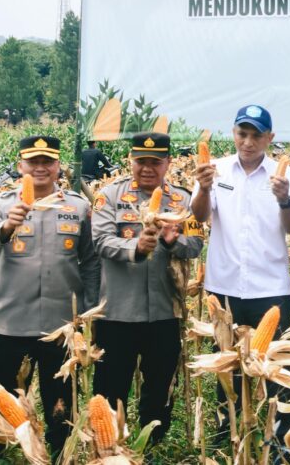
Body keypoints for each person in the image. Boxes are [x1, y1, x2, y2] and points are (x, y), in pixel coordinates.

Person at [0, 136, 100, 458]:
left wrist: (87, 312)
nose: (40, 168)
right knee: (7, 402)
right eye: (33, 162)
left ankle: (59, 453)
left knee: (60, 403)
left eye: (48, 162)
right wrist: (5, 228)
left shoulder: (79, 206)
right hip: (12, 323)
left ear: (59, 167)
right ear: (20, 166)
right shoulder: (1, 204)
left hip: (60, 327)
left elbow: (91, 262)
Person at [191, 105, 290, 439]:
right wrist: (205, 188)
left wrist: (284, 200)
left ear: (270, 138)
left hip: (270, 288)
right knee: (228, 365)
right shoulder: (216, 171)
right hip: (223, 287)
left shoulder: (287, 177)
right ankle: (231, 433)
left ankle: (278, 438)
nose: (249, 142)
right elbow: (198, 217)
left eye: (257, 135)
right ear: (234, 134)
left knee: (274, 366)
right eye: (243, 134)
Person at [92, 133, 203, 446]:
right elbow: (100, 241)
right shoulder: (109, 196)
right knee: (111, 387)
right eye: (141, 161)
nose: (147, 168)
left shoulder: (184, 200)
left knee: (159, 388)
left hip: (164, 311)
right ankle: (110, 445)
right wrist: (135, 248)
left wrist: (172, 241)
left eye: (155, 162)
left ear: (168, 162)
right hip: (116, 311)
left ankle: (152, 443)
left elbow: (195, 244)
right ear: (131, 160)